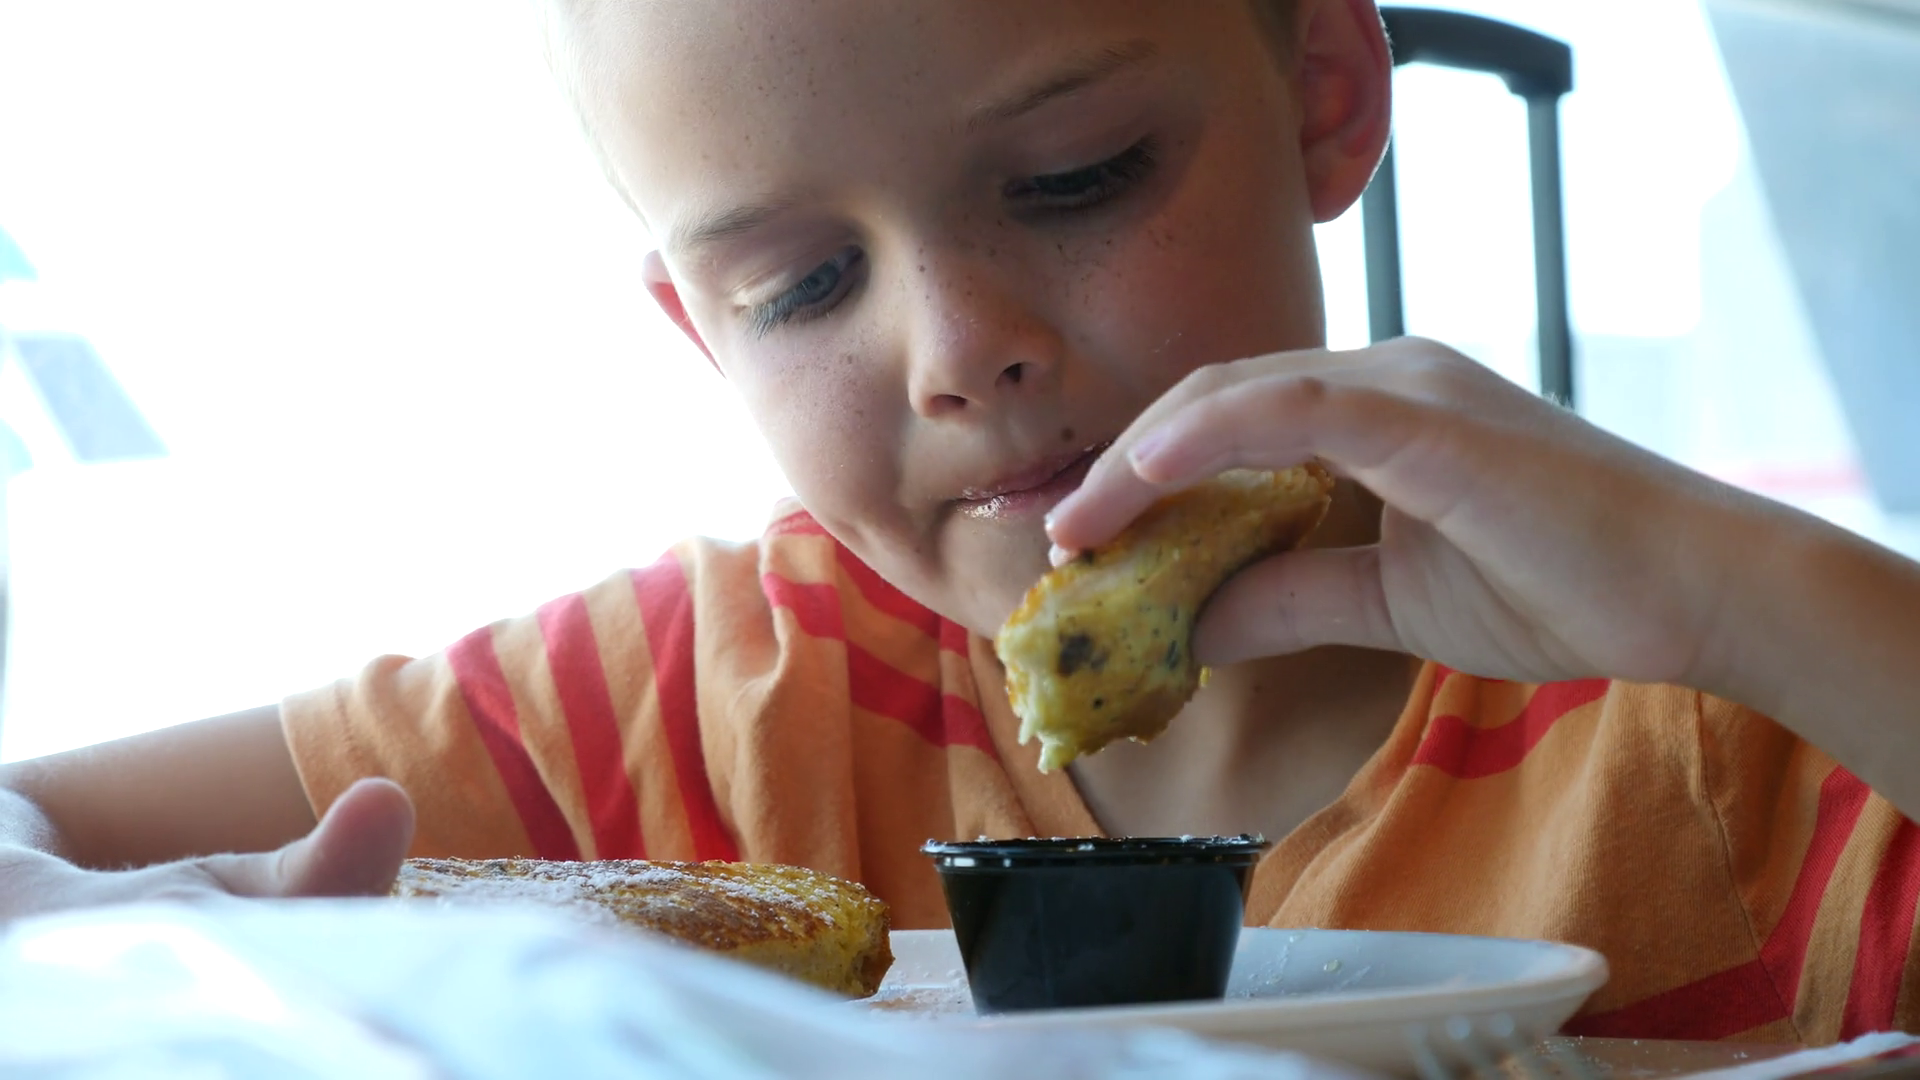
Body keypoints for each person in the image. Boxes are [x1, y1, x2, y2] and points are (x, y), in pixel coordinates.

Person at [2, 0, 1917, 1044]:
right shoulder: (679, 713)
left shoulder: (1727, 706)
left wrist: (1738, 596)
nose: (965, 350)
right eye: (802, 287)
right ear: (695, 329)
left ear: (1328, 97)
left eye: (1079, 179)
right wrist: (206, 922)